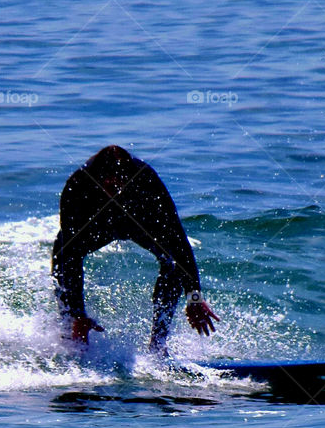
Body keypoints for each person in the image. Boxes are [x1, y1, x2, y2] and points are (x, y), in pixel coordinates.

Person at [51, 145, 219, 356]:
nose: (117, 191)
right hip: (97, 224)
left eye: (122, 185)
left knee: (173, 263)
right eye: (111, 185)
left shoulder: (146, 179)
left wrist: (194, 297)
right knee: (61, 254)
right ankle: (74, 333)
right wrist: (77, 312)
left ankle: (158, 345)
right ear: (98, 178)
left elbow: (179, 243)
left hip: (139, 221)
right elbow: (71, 254)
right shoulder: (77, 185)